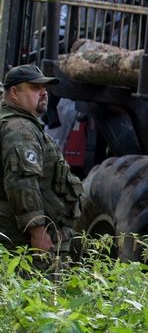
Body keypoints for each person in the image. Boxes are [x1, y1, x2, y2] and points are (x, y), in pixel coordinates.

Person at [0, 65, 83, 256]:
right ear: (14, 92)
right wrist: (37, 231)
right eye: (35, 88)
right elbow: (22, 182)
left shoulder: (21, 124)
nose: (44, 93)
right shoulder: (20, 130)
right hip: (24, 240)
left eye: (45, 88)